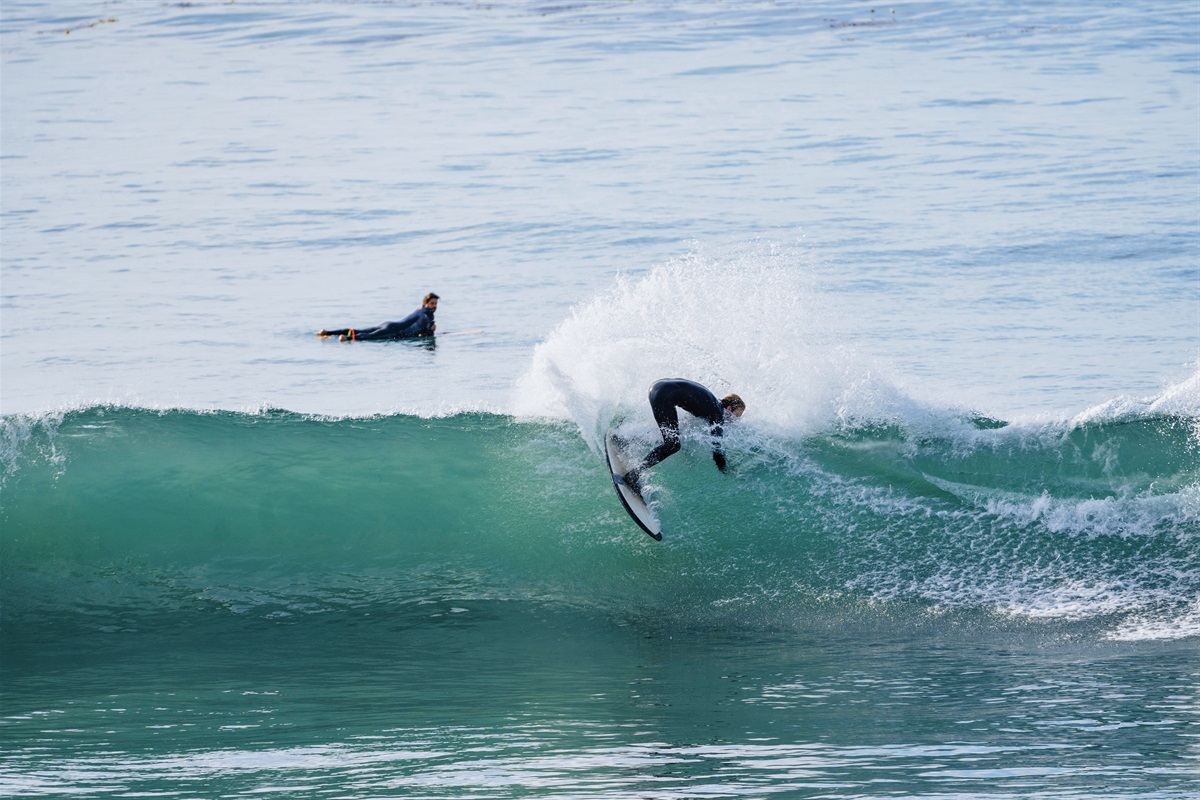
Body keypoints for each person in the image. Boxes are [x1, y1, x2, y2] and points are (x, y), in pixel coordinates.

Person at [623, 378, 745, 489]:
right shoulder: (717, 414)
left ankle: (625, 440)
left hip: (657, 387)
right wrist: (725, 469)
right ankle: (633, 475)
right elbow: (717, 446)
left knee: (668, 433)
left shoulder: (711, 403)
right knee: (673, 445)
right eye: (737, 415)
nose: (735, 421)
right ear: (729, 408)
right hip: (664, 395)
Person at [318, 293, 439, 341]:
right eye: (432, 303)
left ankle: (327, 332)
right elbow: (427, 334)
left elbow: (418, 327)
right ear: (425, 304)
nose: (434, 306)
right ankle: (346, 339)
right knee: (369, 337)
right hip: (393, 330)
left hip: (389, 324)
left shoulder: (419, 310)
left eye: (435, 304)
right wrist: (432, 330)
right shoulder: (427, 314)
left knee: (361, 331)